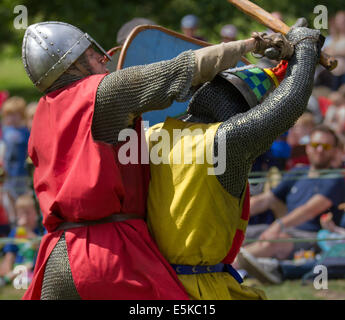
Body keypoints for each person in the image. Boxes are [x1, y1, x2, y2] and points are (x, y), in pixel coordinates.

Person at [21, 21, 282, 299]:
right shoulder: (103, 93)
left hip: (56, 254)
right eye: (90, 53)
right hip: (107, 255)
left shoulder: (42, 114)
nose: (101, 58)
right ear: (74, 64)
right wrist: (253, 45)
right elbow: (184, 69)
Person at [145, 24, 323, 299]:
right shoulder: (223, 141)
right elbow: (291, 103)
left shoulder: (152, 135)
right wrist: (307, 46)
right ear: (242, 112)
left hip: (150, 282)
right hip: (196, 289)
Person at [238, 125, 345, 283]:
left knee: (274, 240)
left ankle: (227, 268)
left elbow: (309, 210)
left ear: (335, 150)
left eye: (326, 146)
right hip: (285, 229)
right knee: (239, 233)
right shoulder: (298, 172)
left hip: (313, 237)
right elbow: (266, 200)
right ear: (308, 147)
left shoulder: (336, 179)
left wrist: (278, 226)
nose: (320, 150)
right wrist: (232, 217)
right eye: (316, 145)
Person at [0, 194, 40, 288]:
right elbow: (10, 252)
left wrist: (28, 232)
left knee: (28, 267)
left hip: (32, 265)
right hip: (18, 264)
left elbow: (40, 246)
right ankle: (8, 275)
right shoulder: (16, 232)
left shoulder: (39, 231)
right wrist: (7, 264)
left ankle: (7, 279)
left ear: (36, 213)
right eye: (21, 213)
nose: (24, 216)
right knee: (6, 265)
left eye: (27, 213)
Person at [1, 97, 30, 201]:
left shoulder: (26, 132)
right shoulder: (6, 130)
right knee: (8, 196)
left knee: (21, 197)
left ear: (21, 115)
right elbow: (4, 148)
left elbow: (29, 151)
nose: (11, 118)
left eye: (14, 114)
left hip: (21, 172)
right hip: (7, 172)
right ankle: (13, 217)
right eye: (8, 115)